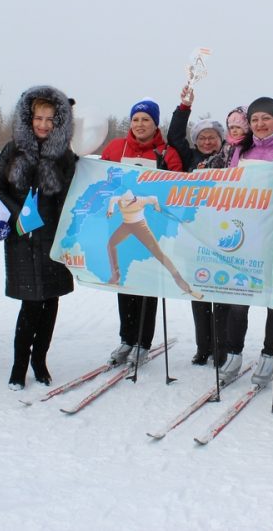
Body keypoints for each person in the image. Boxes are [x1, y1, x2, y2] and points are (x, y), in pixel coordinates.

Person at [0, 86, 78, 390]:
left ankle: (40, 361)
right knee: (30, 304)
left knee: (50, 303)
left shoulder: (65, 157)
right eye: (38, 118)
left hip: (54, 239)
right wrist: (19, 215)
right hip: (23, 239)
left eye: (50, 120)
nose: (43, 124)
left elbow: (74, 196)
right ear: (29, 119)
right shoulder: (13, 150)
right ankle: (19, 366)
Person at [220, 97, 273, 386]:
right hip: (245, 233)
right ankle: (234, 352)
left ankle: (270, 353)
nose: (259, 124)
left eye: (265, 118)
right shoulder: (241, 149)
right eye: (254, 119)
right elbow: (232, 185)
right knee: (238, 296)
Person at [100, 98, 183, 366]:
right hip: (122, 224)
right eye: (135, 119)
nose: (139, 124)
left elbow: (178, 190)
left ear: (155, 123)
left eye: (145, 119)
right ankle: (127, 338)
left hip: (151, 227)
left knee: (146, 283)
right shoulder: (116, 147)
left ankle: (143, 343)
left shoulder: (167, 153)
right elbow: (99, 180)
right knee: (125, 282)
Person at [166, 84, 229, 365]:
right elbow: (174, 136)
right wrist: (184, 108)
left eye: (212, 137)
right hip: (193, 235)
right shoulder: (189, 158)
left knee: (221, 293)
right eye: (202, 138)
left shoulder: (229, 159)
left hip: (222, 236)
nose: (207, 142)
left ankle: (221, 347)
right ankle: (203, 347)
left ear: (220, 140)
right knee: (199, 293)